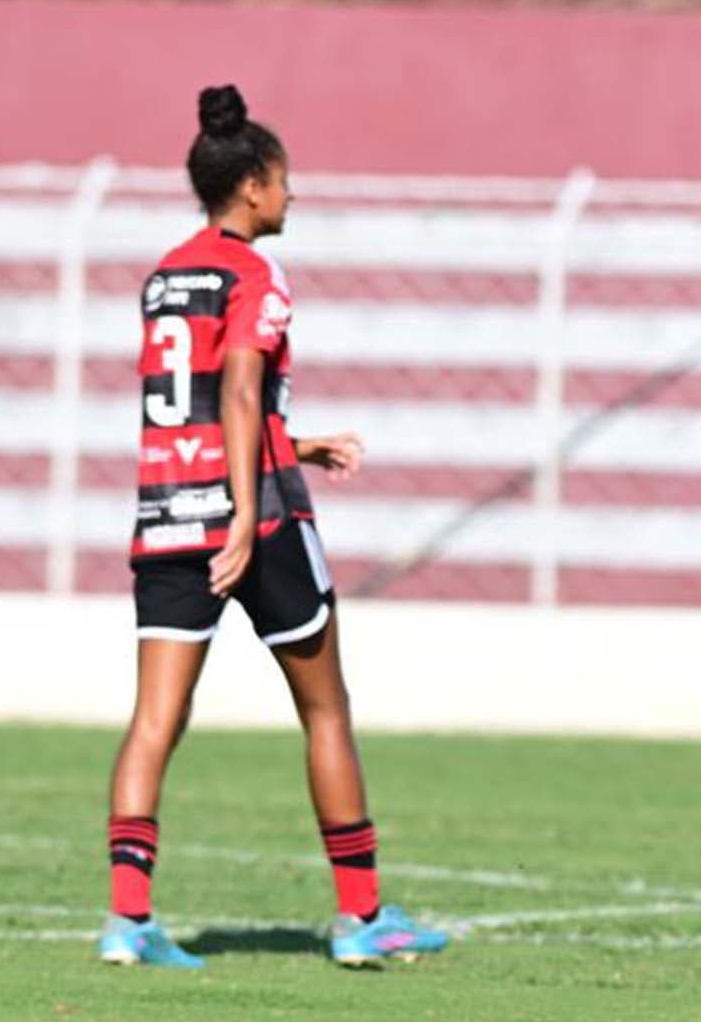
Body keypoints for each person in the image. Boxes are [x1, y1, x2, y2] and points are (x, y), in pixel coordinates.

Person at [99, 86, 449, 971]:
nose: (291, 196)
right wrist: (246, 517)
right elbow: (239, 389)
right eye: (284, 181)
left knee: (154, 719)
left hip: (165, 511)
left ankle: (127, 922)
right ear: (252, 185)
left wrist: (302, 442)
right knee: (325, 707)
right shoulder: (255, 274)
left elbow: (193, 404)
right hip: (255, 518)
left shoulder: (165, 276)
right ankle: (361, 917)